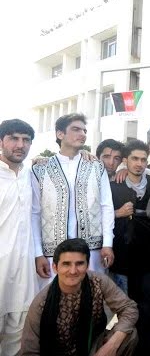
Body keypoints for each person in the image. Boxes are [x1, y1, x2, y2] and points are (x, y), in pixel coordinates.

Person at [32, 113, 115, 289]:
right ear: (60, 134)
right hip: (52, 252)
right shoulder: (40, 169)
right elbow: (35, 213)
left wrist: (108, 244)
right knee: (54, 302)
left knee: (91, 298)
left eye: (84, 130)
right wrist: (38, 253)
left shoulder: (96, 166)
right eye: (76, 129)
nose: (82, 134)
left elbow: (106, 206)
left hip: (92, 250)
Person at [20, 238, 138, 355]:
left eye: (79, 264)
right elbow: (29, 351)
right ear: (55, 267)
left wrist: (112, 345)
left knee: (129, 334)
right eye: (66, 264)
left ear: (87, 266)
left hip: (91, 348)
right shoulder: (42, 302)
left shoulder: (98, 281)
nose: (73, 271)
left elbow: (129, 308)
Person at [0, 119, 38, 356]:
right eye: (14, 138)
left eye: (26, 140)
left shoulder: (30, 175)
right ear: (1, 141)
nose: (20, 145)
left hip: (24, 271)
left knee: (18, 339)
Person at [109, 139, 150, 297]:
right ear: (125, 161)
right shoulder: (113, 186)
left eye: (143, 159)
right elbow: (97, 215)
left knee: (146, 307)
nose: (139, 163)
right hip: (122, 259)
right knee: (126, 309)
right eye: (135, 159)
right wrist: (117, 213)